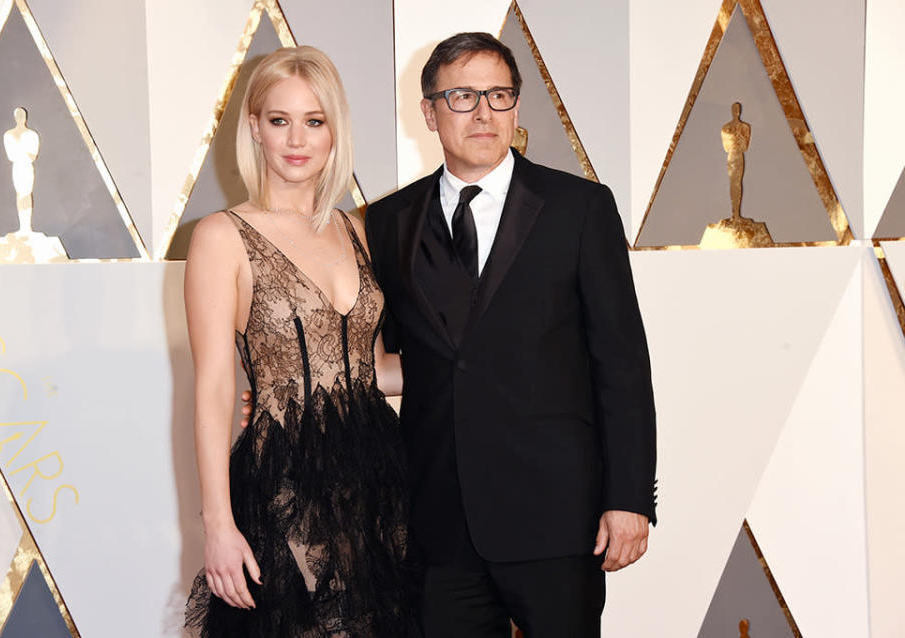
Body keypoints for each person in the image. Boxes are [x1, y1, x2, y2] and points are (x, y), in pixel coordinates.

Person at [363, 32, 657, 637]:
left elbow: (622, 364)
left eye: (499, 95)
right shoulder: (388, 221)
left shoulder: (579, 208)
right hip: (439, 522)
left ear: (516, 107)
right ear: (429, 112)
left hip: (558, 518)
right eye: (463, 96)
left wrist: (629, 498)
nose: (483, 113)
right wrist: (282, 393)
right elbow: (385, 354)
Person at [183, 46, 413, 637]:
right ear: (255, 128)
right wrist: (217, 523)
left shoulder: (359, 231)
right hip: (287, 481)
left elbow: (368, 368)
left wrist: (469, 367)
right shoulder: (221, 236)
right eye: (279, 120)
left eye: (314, 121)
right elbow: (212, 387)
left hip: (381, 477)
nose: (296, 139)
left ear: (334, 131)